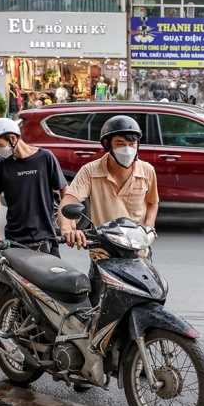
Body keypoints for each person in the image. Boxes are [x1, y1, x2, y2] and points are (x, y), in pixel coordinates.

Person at [58, 116, 159, 301]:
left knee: (147, 302)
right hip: (103, 254)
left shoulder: (147, 171)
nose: (127, 148)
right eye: (120, 143)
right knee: (99, 308)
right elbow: (68, 202)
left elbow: (152, 202)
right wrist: (68, 230)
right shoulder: (90, 171)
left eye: (132, 142)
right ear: (107, 144)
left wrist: (149, 226)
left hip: (139, 253)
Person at [0, 118, 68, 257]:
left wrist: (68, 223)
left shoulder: (45, 157)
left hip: (46, 236)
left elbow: (64, 190)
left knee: (56, 276)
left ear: (12, 138)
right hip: (15, 239)